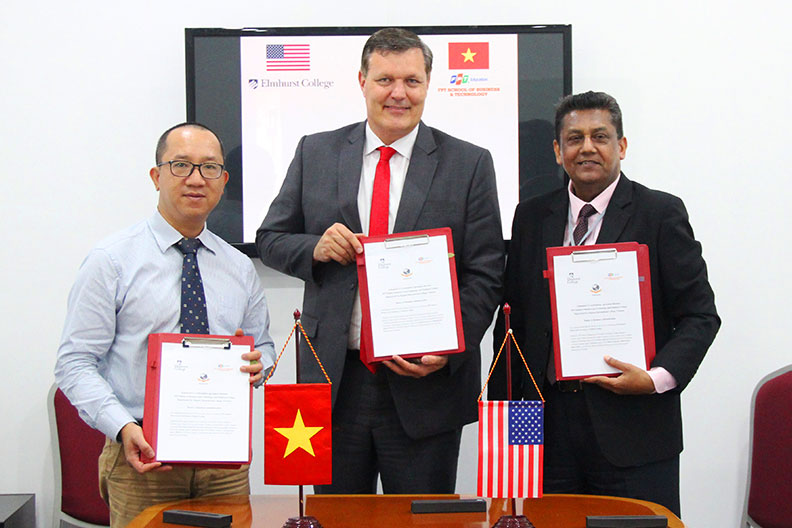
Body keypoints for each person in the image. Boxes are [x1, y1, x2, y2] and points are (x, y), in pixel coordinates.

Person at [256, 28, 504, 494]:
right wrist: (314, 247)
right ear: (362, 81)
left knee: (423, 523)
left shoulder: (468, 163)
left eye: (412, 81)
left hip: (425, 386)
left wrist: (451, 346)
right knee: (336, 519)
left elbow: (486, 274)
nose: (398, 93)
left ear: (428, 84)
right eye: (385, 79)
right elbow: (270, 238)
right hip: (335, 380)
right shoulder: (317, 150)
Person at [488, 91, 720, 516]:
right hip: (546, 429)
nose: (587, 147)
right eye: (574, 138)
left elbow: (700, 315)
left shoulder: (660, 213)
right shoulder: (531, 216)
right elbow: (513, 319)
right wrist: (506, 414)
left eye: (601, 136)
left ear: (622, 147)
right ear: (559, 151)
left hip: (634, 426)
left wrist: (655, 378)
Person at [55, 122, 276, 528]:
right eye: (181, 165)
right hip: (143, 455)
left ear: (224, 181)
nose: (196, 179)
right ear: (156, 176)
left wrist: (259, 364)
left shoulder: (239, 268)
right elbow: (74, 363)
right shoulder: (112, 260)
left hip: (222, 463)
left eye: (209, 168)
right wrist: (122, 428)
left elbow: (263, 346)